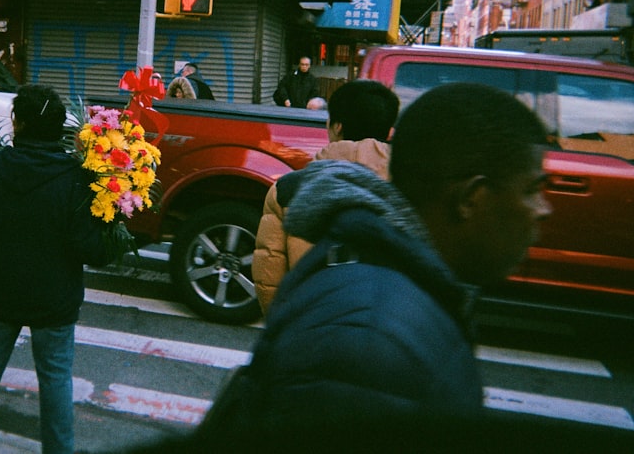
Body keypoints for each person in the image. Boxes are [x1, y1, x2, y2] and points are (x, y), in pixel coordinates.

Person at [188, 82, 552, 451]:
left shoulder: (381, 285)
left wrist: (285, 319)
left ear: (337, 125)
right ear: (471, 198)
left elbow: (269, 270)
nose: (544, 208)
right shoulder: (371, 343)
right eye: (532, 189)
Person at [0, 84, 110, 454]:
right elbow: (91, 249)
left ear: (17, 123)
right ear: (60, 130)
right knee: (56, 377)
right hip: (54, 300)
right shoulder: (77, 180)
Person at [253, 79, 399, 314]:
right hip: (388, 333)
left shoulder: (287, 190)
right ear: (389, 130)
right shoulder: (411, 190)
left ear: (337, 126)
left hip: (311, 330)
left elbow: (270, 283)